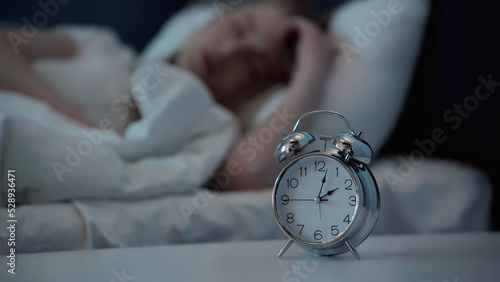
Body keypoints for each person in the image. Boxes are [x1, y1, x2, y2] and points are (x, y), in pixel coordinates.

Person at [0, 0, 331, 191]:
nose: (229, 51)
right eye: (238, 28)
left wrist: (311, 69)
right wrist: (82, 126)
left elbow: (246, 174)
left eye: (253, 67)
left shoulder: (209, 131)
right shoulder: (102, 47)